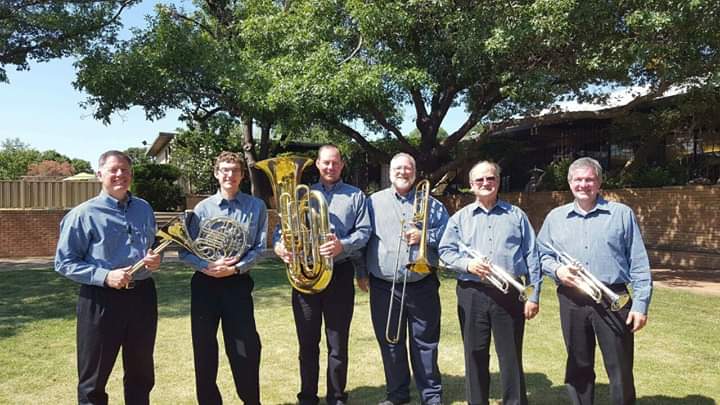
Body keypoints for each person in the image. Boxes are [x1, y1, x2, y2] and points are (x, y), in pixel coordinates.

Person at [537, 157, 652, 405]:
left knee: (620, 367)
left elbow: (639, 263)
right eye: (578, 179)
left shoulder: (621, 214)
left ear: (599, 182)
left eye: (589, 179)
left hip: (614, 298)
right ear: (570, 184)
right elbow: (541, 255)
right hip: (572, 299)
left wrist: (641, 305)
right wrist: (557, 271)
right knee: (578, 365)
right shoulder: (555, 218)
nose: (584, 184)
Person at [55, 150, 162, 405]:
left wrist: (155, 261)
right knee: (93, 380)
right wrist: (105, 276)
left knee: (141, 374)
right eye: (113, 169)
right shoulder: (83, 214)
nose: (120, 175)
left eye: (125, 170)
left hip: (142, 297)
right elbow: (64, 262)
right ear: (99, 174)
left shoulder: (144, 209)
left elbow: (151, 246)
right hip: (101, 300)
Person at [274, 144, 371, 405]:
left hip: (339, 274)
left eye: (335, 163)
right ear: (317, 164)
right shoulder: (301, 194)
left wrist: (343, 245)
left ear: (342, 165)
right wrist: (280, 246)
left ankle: (337, 397)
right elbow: (280, 230)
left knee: (338, 344)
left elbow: (364, 233)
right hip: (306, 275)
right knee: (307, 343)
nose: (330, 167)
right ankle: (307, 397)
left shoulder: (356, 196)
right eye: (325, 163)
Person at [438, 161, 542, 405]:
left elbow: (532, 255)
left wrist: (534, 294)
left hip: (510, 293)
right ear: (471, 186)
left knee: (510, 355)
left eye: (490, 179)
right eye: (479, 180)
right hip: (472, 292)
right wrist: (467, 265)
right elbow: (445, 251)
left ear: (498, 181)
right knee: (474, 354)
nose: (485, 183)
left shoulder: (516, 215)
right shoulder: (460, 218)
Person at [179, 151, 267, 405]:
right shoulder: (202, 208)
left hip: (237, 284)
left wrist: (237, 267)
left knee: (245, 349)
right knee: (204, 351)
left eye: (235, 170)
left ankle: (252, 401)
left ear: (242, 175)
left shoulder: (256, 206)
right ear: (217, 174)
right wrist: (205, 265)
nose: (230, 174)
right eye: (224, 170)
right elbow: (186, 250)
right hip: (205, 284)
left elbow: (259, 248)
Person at [364, 153, 448, 405]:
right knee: (390, 342)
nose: (403, 172)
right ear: (390, 172)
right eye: (398, 168)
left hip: (422, 284)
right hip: (384, 286)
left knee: (425, 342)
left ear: (415, 172)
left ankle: (431, 396)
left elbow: (448, 238)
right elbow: (363, 239)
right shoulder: (372, 203)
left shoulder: (433, 204)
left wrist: (424, 236)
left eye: (408, 168)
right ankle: (397, 394)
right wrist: (360, 272)